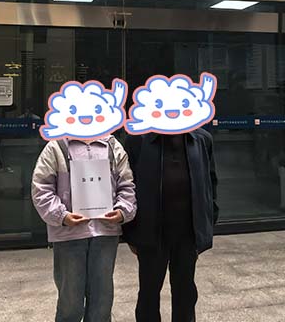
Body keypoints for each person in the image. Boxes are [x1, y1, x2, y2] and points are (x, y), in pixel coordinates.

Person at [32, 135, 136, 322]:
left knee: (102, 300)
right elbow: (41, 188)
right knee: (70, 301)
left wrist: (122, 211)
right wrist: (62, 216)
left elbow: (126, 185)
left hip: (105, 233)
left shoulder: (112, 146)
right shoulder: (57, 146)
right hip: (68, 235)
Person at [123, 129, 218, 322]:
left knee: (185, 291)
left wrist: (206, 225)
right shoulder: (138, 139)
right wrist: (130, 232)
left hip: (188, 233)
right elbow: (127, 185)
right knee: (149, 292)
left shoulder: (201, 139)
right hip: (151, 232)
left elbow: (211, 182)